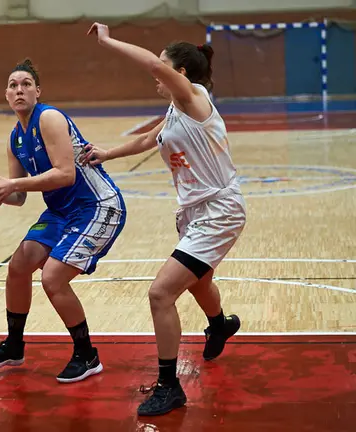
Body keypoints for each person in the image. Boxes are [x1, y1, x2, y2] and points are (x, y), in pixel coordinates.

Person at [83, 23, 245, 416]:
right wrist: (107, 154)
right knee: (199, 282)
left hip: (218, 211)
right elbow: (146, 140)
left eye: (163, 64)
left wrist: (107, 41)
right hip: (193, 212)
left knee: (160, 293)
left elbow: (156, 70)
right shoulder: (176, 110)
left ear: (180, 73)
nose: (157, 72)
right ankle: (220, 324)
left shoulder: (193, 98)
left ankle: (170, 386)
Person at [0, 58, 127, 383]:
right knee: (18, 266)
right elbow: (17, 196)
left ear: (37, 91)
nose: (19, 90)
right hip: (60, 212)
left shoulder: (50, 118)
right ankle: (14, 346)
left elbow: (65, 174)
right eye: (13, 85)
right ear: (6, 94)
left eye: (26, 84)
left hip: (96, 205)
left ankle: (87, 355)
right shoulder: (15, 137)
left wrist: (14, 184)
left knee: (53, 279)